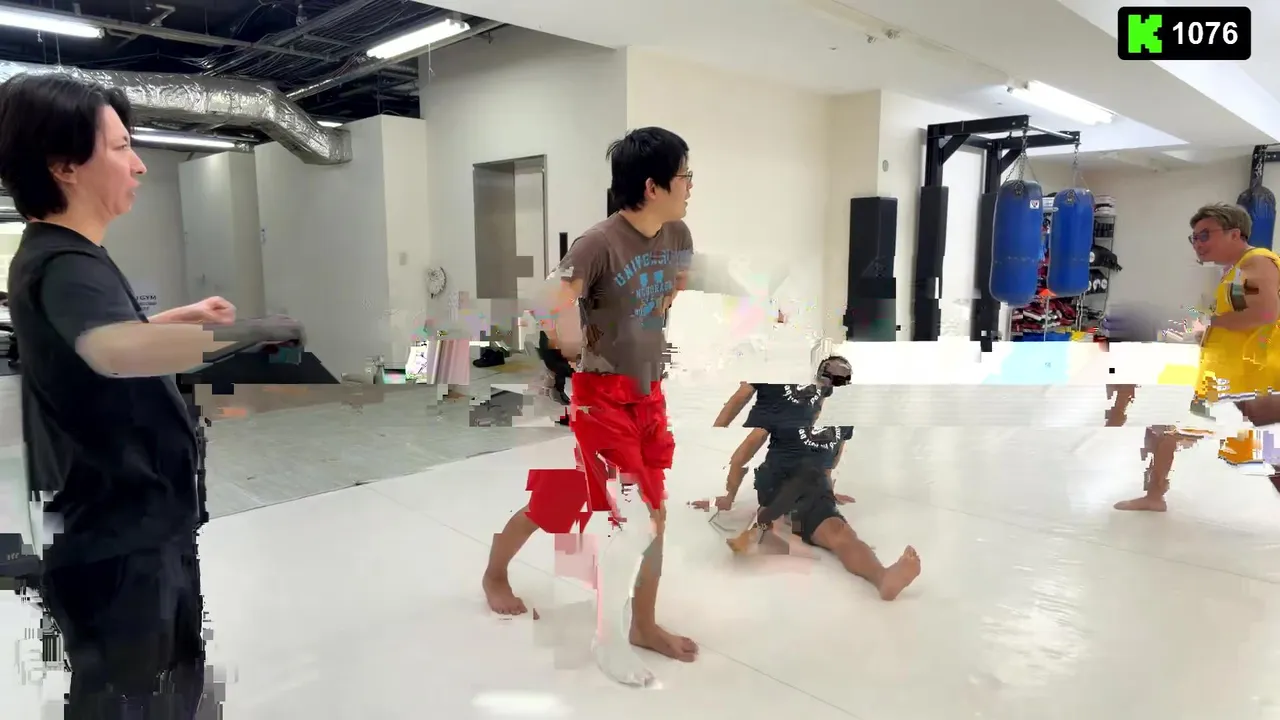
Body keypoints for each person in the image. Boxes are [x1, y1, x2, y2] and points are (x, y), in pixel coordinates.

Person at [0, 73, 303, 719]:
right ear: (63, 166)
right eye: (119, 148)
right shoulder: (65, 265)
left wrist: (172, 319)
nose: (138, 164)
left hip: (132, 524)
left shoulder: (65, 256)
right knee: (133, 697)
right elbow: (116, 352)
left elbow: (96, 344)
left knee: (167, 680)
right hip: (118, 539)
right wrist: (253, 333)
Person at [480, 127, 696, 687]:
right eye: (684, 176)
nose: (691, 186)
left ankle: (642, 624)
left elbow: (676, 280)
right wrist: (572, 344)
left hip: (648, 394)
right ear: (652, 186)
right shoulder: (598, 243)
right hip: (601, 400)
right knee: (637, 518)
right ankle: (608, 639)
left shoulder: (676, 232)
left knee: (576, 505)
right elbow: (545, 301)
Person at [697, 356, 920, 600]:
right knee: (807, 476)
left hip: (812, 492)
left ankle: (882, 577)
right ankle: (763, 525)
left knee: (841, 533)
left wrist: (829, 490)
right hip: (776, 480)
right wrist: (729, 495)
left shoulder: (844, 418)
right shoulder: (786, 407)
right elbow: (745, 451)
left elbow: (831, 459)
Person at [1112, 203, 1280, 512]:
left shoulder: (1256, 261)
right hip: (1230, 372)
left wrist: (1213, 323)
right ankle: (1154, 495)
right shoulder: (1235, 270)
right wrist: (1207, 331)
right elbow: (1242, 317)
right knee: (1165, 427)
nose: (1198, 244)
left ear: (1235, 234)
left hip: (1258, 374)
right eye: (1194, 238)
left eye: (1205, 235)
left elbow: (1266, 313)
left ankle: (1155, 495)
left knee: (1268, 449)